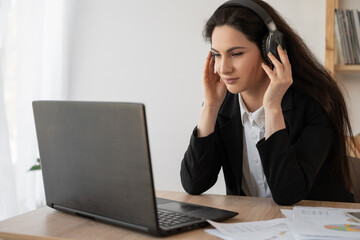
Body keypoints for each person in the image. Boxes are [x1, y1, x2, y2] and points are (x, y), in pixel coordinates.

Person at [180, 0, 355, 205]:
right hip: (252, 226)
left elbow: (287, 194)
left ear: (270, 49)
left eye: (236, 54)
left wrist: (272, 108)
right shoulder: (221, 105)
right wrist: (209, 107)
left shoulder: (317, 104)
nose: (223, 68)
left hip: (315, 227)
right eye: (217, 55)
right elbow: (194, 184)